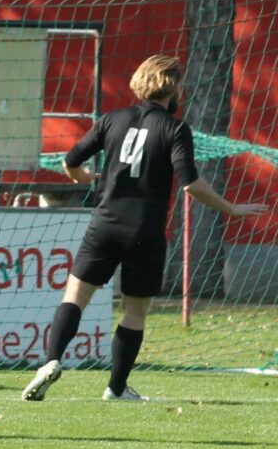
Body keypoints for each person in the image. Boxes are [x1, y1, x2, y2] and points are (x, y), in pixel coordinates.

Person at [22, 55, 268, 403]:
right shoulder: (175, 129)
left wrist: (81, 177)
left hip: (104, 224)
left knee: (74, 297)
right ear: (173, 89)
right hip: (145, 230)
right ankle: (116, 388)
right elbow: (191, 184)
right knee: (135, 311)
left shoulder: (112, 119)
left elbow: (70, 161)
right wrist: (230, 208)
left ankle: (51, 361)